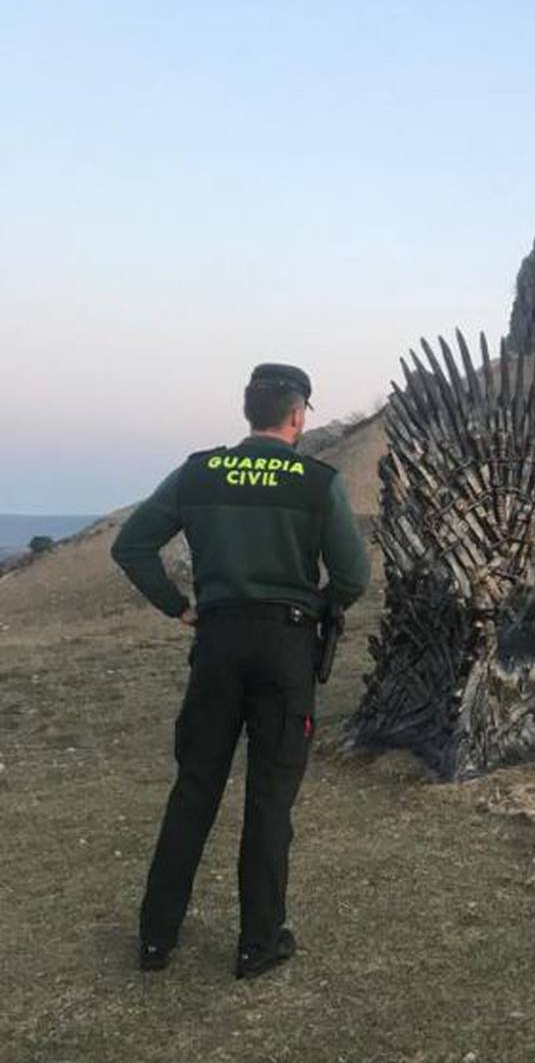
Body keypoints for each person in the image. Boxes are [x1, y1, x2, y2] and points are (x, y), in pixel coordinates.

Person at [111, 363, 370, 979]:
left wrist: (180, 608)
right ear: (299, 415)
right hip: (285, 646)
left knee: (195, 788)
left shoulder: (199, 471)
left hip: (218, 642)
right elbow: (354, 576)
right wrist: (323, 610)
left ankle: (155, 941)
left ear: (247, 410)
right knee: (270, 799)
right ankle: (257, 944)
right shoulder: (318, 481)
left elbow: (132, 546)